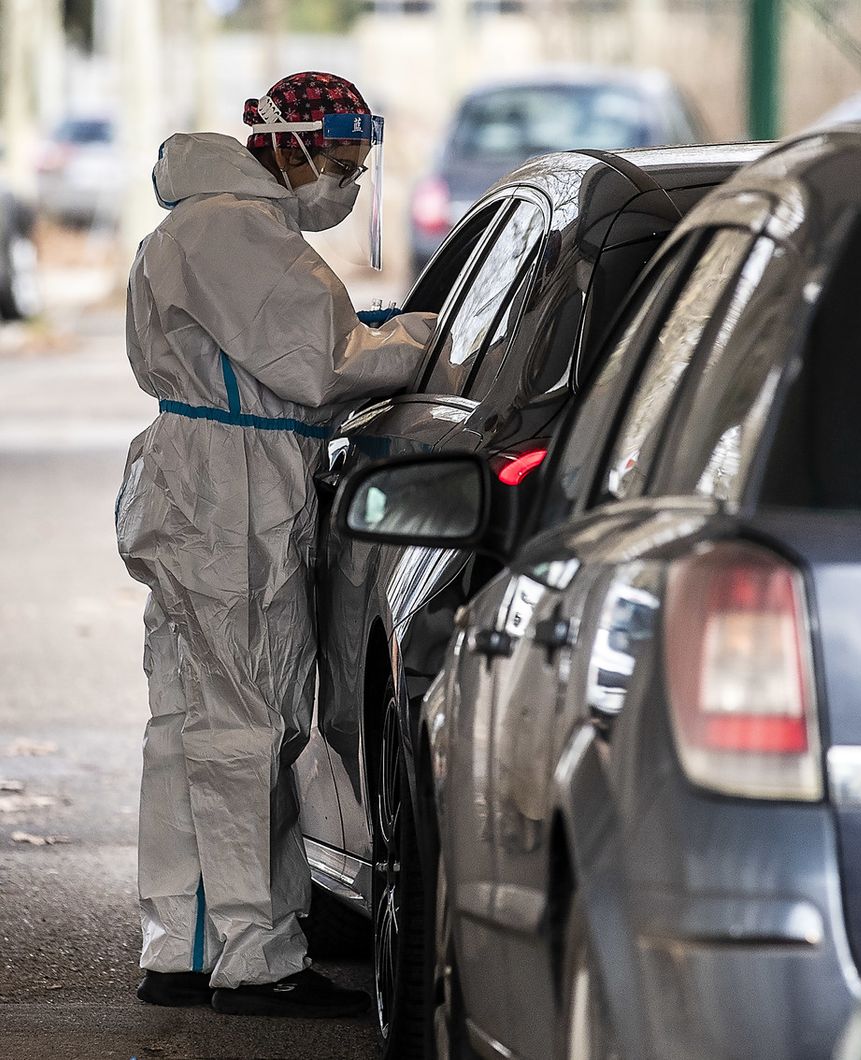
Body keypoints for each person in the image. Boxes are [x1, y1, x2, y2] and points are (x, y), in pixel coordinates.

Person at [114, 72, 435, 1018]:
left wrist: (364, 331)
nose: (346, 179)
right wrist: (430, 340)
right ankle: (255, 961)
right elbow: (322, 365)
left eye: (357, 163)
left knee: (188, 725)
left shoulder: (210, 225)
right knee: (252, 724)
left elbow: (287, 341)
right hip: (231, 495)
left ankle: (182, 945)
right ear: (286, 145)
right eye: (339, 160)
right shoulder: (236, 231)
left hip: (202, 483)